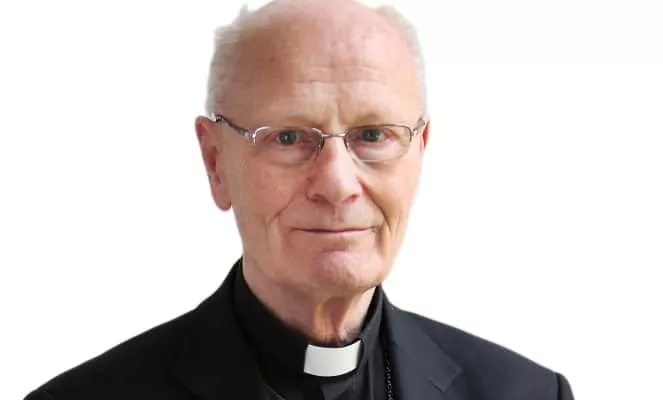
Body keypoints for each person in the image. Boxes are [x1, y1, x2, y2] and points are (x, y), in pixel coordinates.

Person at [25, 0, 574, 399]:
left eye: (373, 135)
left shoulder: (525, 393)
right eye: (288, 137)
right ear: (216, 162)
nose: (337, 183)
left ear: (419, 151)